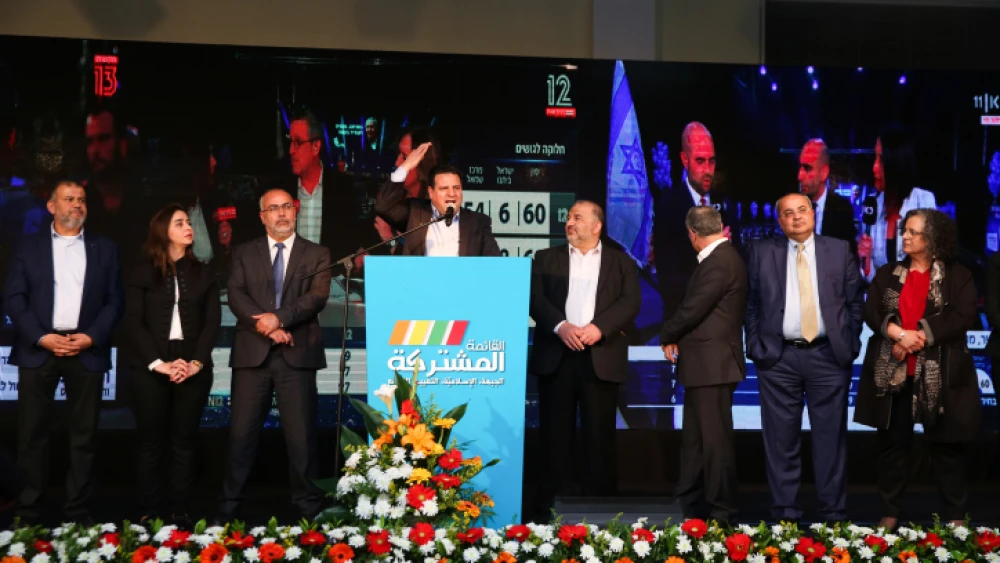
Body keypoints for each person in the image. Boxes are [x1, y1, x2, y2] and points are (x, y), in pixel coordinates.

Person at [2, 180, 123, 525]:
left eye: (82, 199)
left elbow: (116, 302)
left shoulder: (106, 248)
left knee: (84, 437)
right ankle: (28, 513)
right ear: (51, 206)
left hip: (86, 350)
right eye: (69, 199)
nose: (77, 205)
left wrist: (91, 337)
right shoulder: (28, 246)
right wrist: (41, 337)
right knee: (31, 437)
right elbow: (15, 297)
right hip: (39, 349)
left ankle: (77, 514)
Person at [854, 208, 980, 529]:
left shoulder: (958, 276)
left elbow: (962, 316)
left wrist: (918, 337)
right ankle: (891, 513)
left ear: (932, 238)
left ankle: (954, 517)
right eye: (905, 231)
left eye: (913, 232)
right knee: (893, 449)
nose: (905, 237)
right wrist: (897, 334)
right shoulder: (888, 274)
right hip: (895, 376)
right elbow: (873, 310)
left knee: (946, 451)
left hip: (941, 378)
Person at [744, 193, 864, 522]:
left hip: (828, 357)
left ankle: (833, 514)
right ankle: (785, 515)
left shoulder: (838, 250)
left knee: (830, 440)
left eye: (802, 210)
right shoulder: (761, 251)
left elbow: (855, 302)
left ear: (813, 213)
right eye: (788, 213)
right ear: (779, 221)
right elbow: (751, 304)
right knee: (780, 441)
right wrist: (756, 345)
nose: (796, 217)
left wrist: (849, 344)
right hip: (778, 359)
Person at [218, 188, 332, 521]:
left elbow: (317, 297)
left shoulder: (318, 253)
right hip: (252, 356)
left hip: (296, 356)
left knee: (302, 441)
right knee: (241, 437)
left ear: (295, 211)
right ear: (262, 216)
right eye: (273, 208)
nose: (281, 213)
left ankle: (309, 514)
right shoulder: (242, 252)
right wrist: (268, 326)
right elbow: (236, 295)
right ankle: (229, 513)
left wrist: (280, 318)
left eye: (286, 207)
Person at [528, 200, 640, 519]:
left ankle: (602, 514)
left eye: (577, 218)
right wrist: (561, 326)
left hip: (599, 358)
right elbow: (535, 299)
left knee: (599, 440)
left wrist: (598, 328)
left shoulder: (621, 263)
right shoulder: (546, 258)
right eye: (568, 217)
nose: (569, 223)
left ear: (596, 226)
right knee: (553, 438)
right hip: (557, 358)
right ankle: (545, 514)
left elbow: (630, 302)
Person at [124, 203, 221, 526]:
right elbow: (133, 323)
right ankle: (147, 509)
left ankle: (180, 509)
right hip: (150, 367)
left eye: (189, 222)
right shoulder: (141, 271)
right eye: (180, 223)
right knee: (151, 442)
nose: (189, 228)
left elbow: (212, 324)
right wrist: (158, 363)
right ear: (164, 231)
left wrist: (195, 363)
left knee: (184, 441)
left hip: (192, 366)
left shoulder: (204, 272)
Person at [659, 205, 747, 524]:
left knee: (714, 443)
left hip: (715, 365)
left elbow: (693, 308)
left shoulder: (720, 261)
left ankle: (722, 511)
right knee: (696, 442)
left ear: (692, 234)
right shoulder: (719, 259)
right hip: (704, 365)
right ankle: (689, 504)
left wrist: (666, 333)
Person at [653, 122, 741, 320]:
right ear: (685, 159)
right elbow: (668, 282)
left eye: (712, 161)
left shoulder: (726, 206)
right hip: (685, 324)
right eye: (700, 161)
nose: (708, 170)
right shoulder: (668, 208)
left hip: (725, 322)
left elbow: (741, 267)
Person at [282, 106, 376, 266]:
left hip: (329, 282)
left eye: (297, 142)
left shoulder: (342, 187)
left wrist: (358, 254)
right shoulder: (281, 189)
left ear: (315, 147)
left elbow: (351, 241)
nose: (291, 150)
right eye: (290, 142)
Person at [376, 144, 501, 257]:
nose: (451, 194)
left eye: (456, 188)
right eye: (444, 188)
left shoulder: (477, 222)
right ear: (431, 192)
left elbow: (496, 265)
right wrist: (406, 167)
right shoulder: (415, 213)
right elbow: (384, 206)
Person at [858, 127, 936, 281]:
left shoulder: (923, 201)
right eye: (875, 158)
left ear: (896, 163)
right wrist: (866, 264)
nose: (874, 168)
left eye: (881, 160)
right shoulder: (872, 205)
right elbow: (871, 277)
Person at [797, 139, 858, 254]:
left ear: (824, 173)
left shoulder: (842, 209)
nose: (800, 176)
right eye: (800, 167)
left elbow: (850, 260)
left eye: (807, 168)